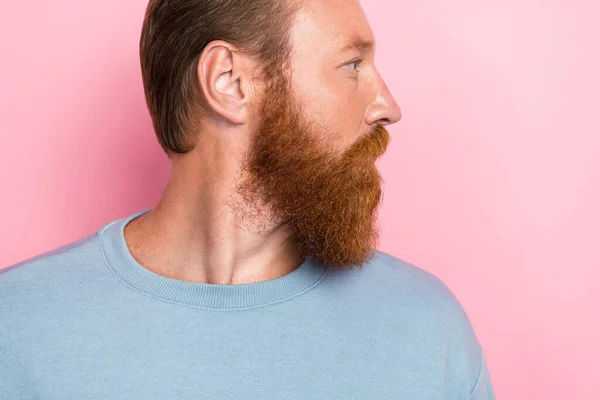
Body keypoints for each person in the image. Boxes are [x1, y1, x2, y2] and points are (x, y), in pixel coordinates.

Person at [0, 0, 495, 398]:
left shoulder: (429, 335)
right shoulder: (17, 328)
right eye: (351, 64)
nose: (388, 106)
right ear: (229, 82)